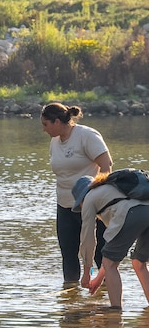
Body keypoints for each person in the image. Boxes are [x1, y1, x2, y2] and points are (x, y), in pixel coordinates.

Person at [42, 102, 112, 284]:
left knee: (98, 252)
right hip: (64, 206)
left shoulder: (86, 136)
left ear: (57, 121)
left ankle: (106, 292)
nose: (44, 129)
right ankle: (71, 298)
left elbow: (107, 165)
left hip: (90, 205)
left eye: (45, 124)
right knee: (68, 253)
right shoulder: (55, 141)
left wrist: (99, 196)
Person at [73, 174, 149, 309]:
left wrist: (86, 273)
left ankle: (115, 311)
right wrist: (98, 278)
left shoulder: (90, 199)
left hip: (132, 213)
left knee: (111, 265)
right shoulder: (110, 190)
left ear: (81, 198)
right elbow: (111, 253)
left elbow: (87, 240)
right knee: (139, 263)